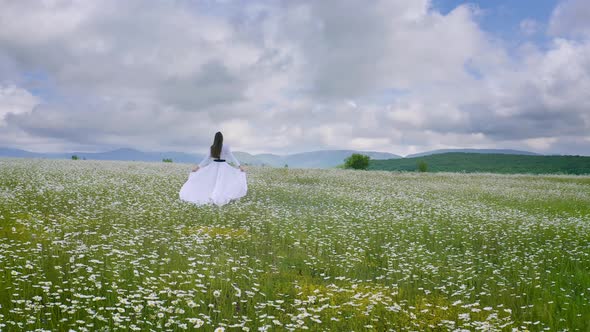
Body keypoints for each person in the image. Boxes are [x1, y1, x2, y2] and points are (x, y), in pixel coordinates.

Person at [179, 132, 247, 206]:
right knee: (222, 182)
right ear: (222, 138)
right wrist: (239, 166)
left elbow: (206, 159)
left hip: (214, 165)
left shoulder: (212, 147)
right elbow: (232, 157)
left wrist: (197, 167)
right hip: (223, 166)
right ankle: (218, 197)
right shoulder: (226, 146)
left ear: (215, 139)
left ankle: (212, 196)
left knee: (212, 183)